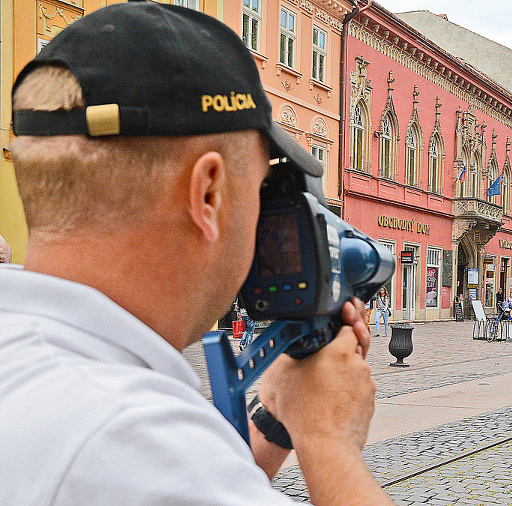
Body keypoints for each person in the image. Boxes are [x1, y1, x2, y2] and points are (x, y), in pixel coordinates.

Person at [0, 4, 393, 504]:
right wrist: (329, 441)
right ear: (208, 194)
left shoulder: (36, 366)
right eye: (262, 190)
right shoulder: (128, 436)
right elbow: (173, 470)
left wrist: (276, 418)